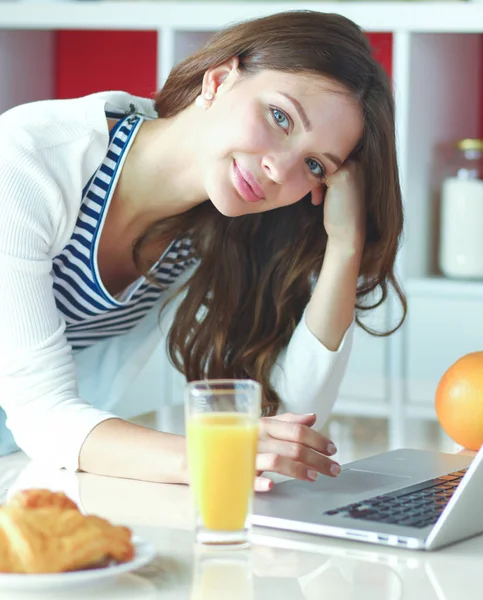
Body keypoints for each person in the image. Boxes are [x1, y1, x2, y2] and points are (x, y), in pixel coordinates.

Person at [0, 10, 405, 490]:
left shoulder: (211, 230)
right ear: (219, 79)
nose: (280, 169)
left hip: (22, 462)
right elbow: (43, 414)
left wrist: (344, 245)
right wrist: (218, 453)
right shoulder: (25, 161)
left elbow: (290, 418)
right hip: (37, 445)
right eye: (280, 117)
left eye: (315, 165)